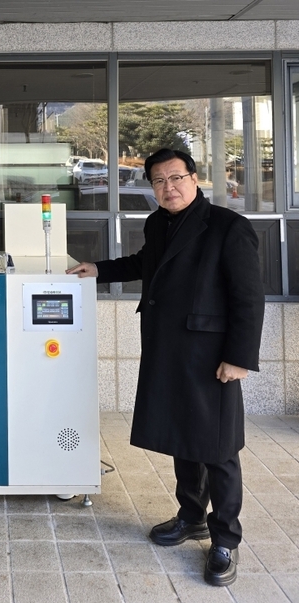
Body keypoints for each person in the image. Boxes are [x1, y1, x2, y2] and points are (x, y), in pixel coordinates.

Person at [67, 148, 265, 587]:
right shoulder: (158, 223)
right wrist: (97, 268)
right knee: (182, 437)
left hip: (212, 356)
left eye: (176, 178)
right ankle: (192, 517)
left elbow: (249, 298)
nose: (168, 187)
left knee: (218, 447)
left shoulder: (228, 227)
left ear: (195, 179)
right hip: (168, 348)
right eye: (159, 181)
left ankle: (225, 540)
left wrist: (239, 358)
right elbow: (145, 263)